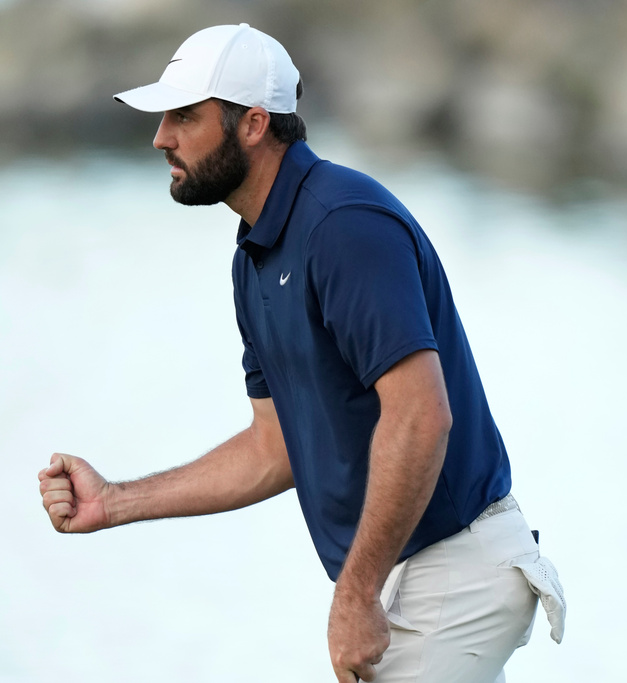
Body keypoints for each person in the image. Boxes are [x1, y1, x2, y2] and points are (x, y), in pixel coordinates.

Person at [37, 23, 564, 683]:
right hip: (404, 573)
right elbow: (274, 446)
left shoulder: (344, 225)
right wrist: (114, 501)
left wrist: (355, 592)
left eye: (183, 117)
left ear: (253, 124)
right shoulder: (255, 253)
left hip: (454, 567)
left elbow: (422, 416)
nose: (161, 137)